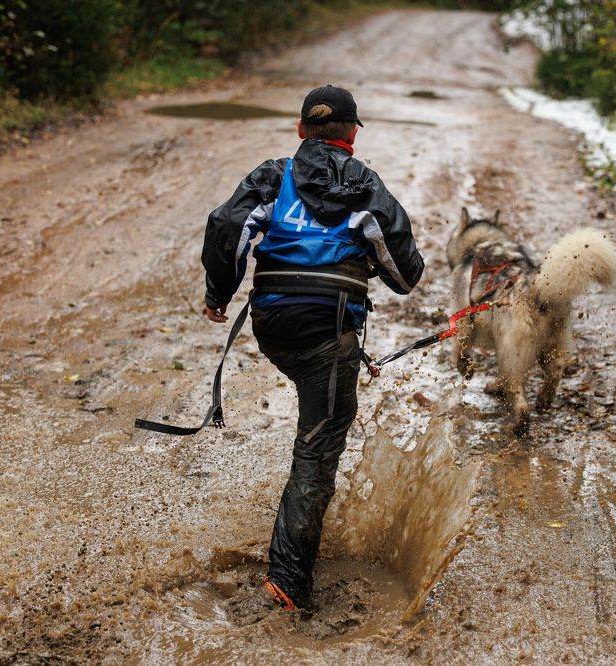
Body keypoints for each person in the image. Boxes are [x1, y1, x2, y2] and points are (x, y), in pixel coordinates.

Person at [201, 85, 424, 619]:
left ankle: (292, 550)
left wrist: (218, 294)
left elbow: (227, 226)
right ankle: (287, 582)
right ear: (351, 135)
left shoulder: (272, 176)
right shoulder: (366, 184)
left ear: (301, 129)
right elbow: (404, 274)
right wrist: (361, 262)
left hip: (274, 326)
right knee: (317, 453)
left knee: (316, 412)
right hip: (328, 333)